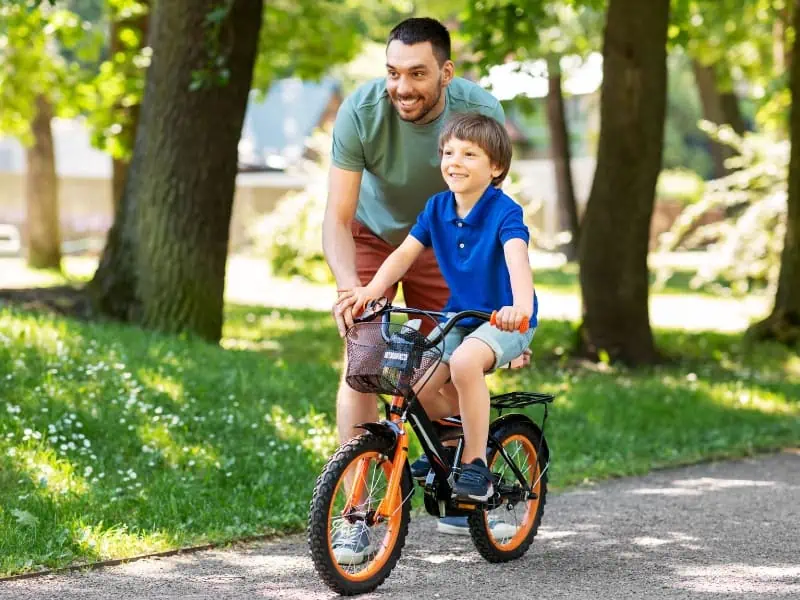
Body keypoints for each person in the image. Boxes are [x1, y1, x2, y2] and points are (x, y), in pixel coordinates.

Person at [323, 17, 527, 552]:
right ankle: (358, 511)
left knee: (443, 372)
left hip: (449, 241)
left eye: (417, 73)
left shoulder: (480, 111)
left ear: (446, 73)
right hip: (377, 240)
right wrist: (352, 291)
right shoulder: (361, 113)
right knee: (365, 362)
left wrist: (511, 308)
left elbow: (498, 220)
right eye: (393, 72)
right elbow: (337, 217)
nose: (402, 87)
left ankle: (464, 481)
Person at [337, 111, 537, 506]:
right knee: (415, 381)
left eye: (469, 154)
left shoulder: (504, 212)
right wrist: (372, 290)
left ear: (495, 167)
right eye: (449, 152)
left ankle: (477, 463)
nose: (455, 162)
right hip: (460, 315)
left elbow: (518, 261)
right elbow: (403, 254)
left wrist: (521, 308)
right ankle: (458, 436)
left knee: (464, 364)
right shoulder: (437, 208)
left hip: (503, 319)